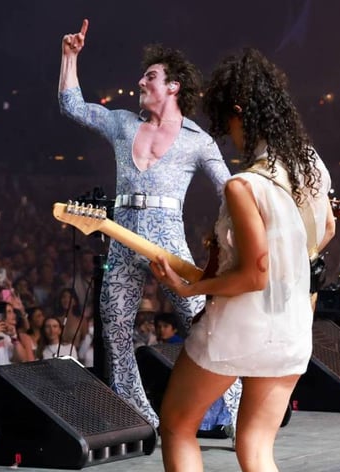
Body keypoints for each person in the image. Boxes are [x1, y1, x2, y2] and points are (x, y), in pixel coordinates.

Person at [146, 48, 335, 472]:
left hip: (237, 329)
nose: (224, 133)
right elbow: (321, 233)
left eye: (224, 120)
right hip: (292, 328)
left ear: (238, 112)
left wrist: (190, 287)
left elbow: (253, 274)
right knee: (256, 445)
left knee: (177, 423)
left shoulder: (242, 185)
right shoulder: (310, 164)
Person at [58, 19, 241, 431]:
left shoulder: (197, 140)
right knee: (115, 324)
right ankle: (141, 417)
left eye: (151, 76)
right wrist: (69, 57)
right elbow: (74, 107)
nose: (141, 81)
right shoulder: (123, 124)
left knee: (201, 322)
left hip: (167, 240)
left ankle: (235, 408)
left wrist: (228, 243)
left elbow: (231, 193)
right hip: (122, 236)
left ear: (173, 86)